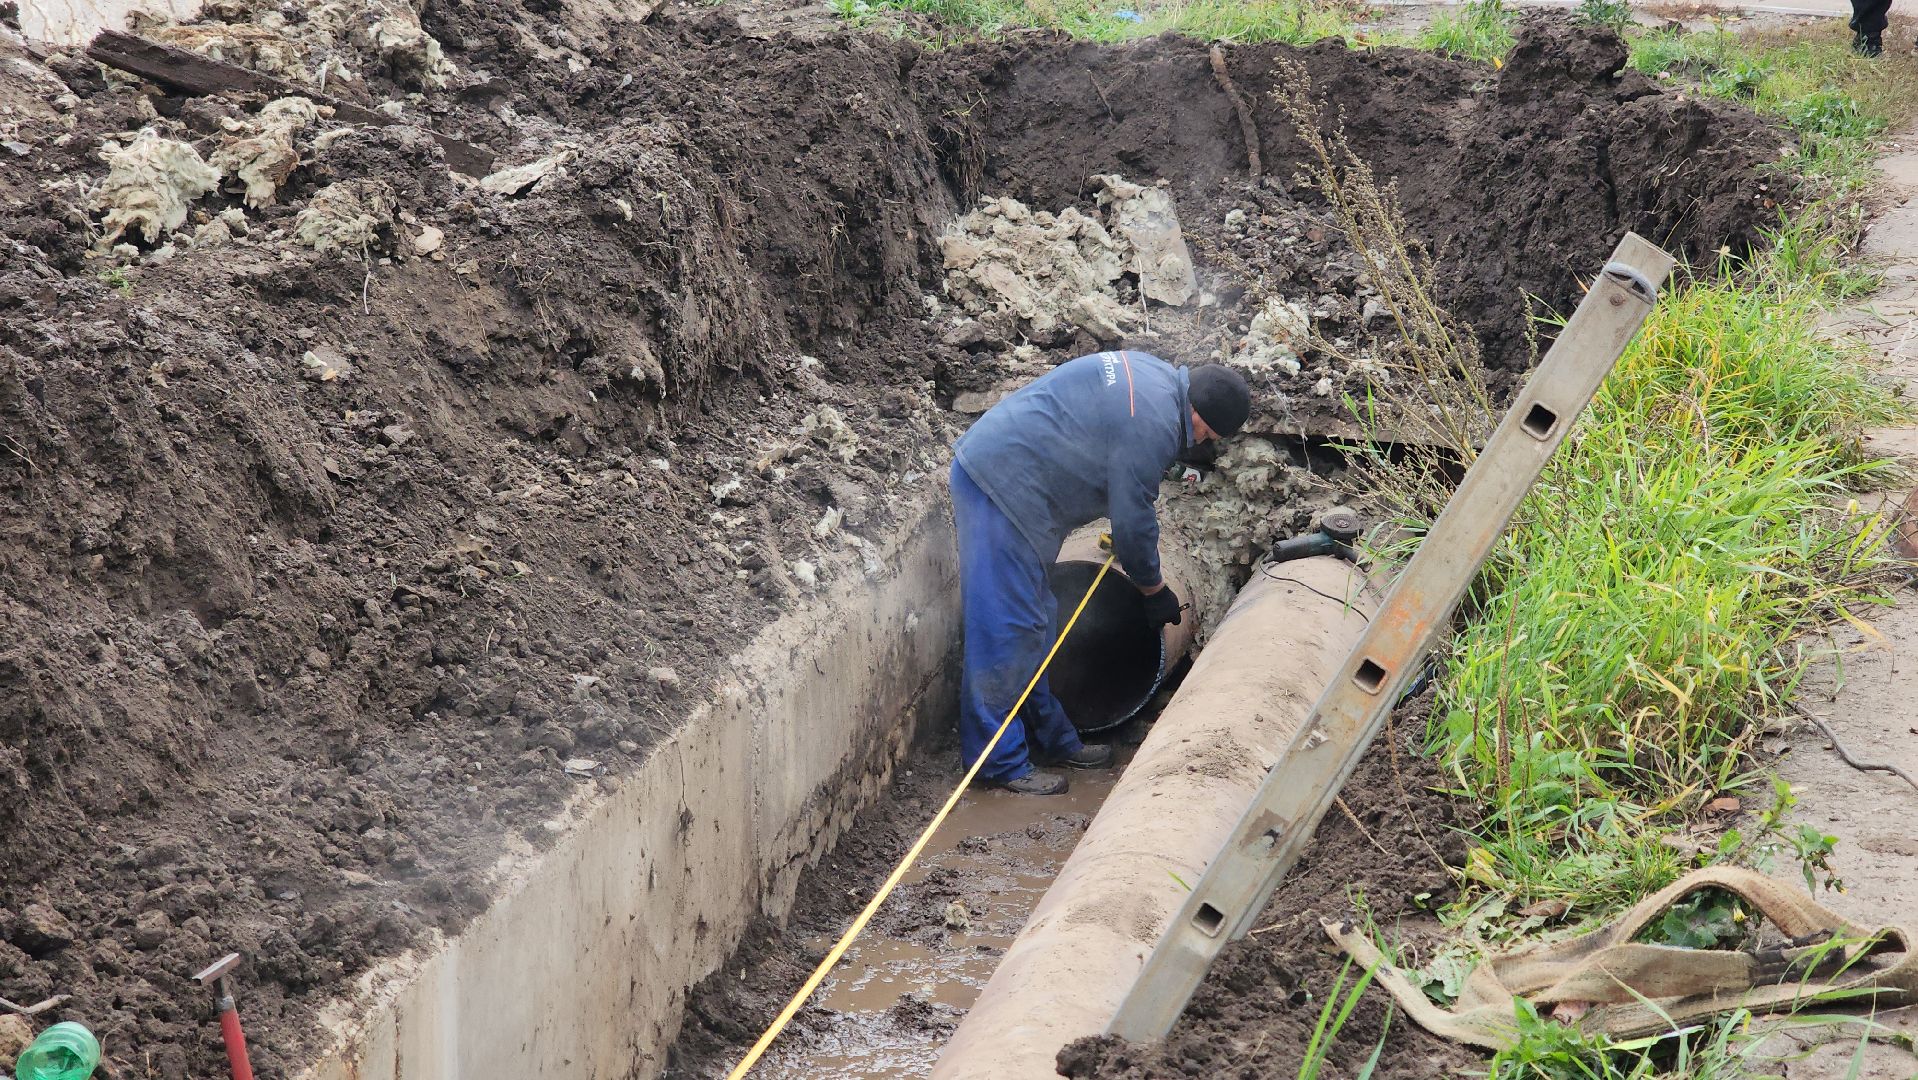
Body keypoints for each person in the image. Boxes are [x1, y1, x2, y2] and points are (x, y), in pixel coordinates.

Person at [949, 351, 1252, 795]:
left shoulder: (1157, 380)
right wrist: (1153, 590)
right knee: (1005, 627)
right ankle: (997, 763)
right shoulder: (1154, 423)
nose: (1203, 442)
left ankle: (1050, 736)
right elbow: (1132, 524)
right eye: (1208, 434)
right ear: (1200, 416)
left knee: (1036, 620)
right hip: (1002, 486)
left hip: (1022, 484)